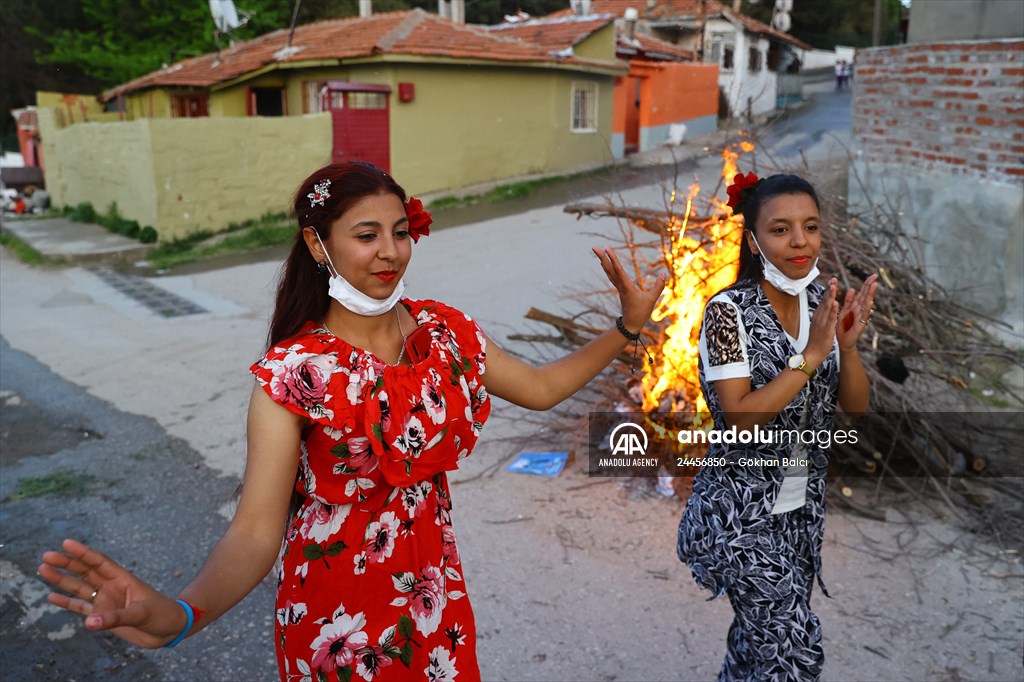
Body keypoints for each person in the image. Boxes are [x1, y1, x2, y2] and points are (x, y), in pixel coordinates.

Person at [38, 161, 667, 681]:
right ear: (320, 244)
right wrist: (180, 614)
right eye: (366, 235)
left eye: (401, 231)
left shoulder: (445, 332)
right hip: (335, 625)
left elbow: (539, 386)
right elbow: (257, 532)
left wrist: (626, 327)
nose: (390, 252)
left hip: (434, 603)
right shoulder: (294, 375)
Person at [676, 172, 878, 680]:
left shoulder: (820, 306)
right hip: (738, 518)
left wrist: (846, 350)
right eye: (780, 229)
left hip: (799, 513)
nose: (799, 242)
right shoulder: (728, 312)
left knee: (753, 648)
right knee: (793, 651)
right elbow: (739, 416)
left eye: (810, 227)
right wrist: (809, 357)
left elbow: (856, 408)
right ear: (753, 240)